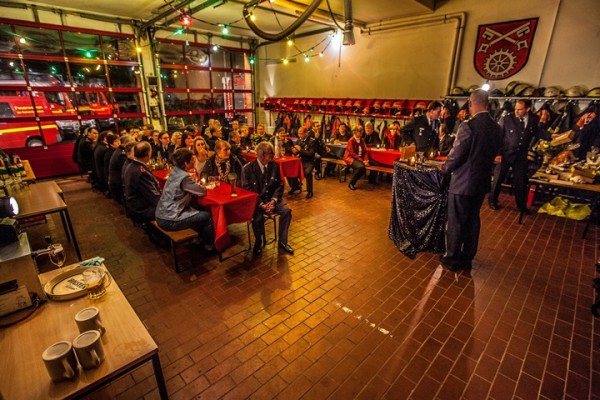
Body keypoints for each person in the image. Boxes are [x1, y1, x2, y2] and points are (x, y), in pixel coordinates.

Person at [440, 89, 503, 271]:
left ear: (470, 103)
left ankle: (452, 258)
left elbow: (457, 155)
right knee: (473, 220)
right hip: (481, 182)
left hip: (462, 183)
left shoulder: (468, 126)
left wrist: (445, 168)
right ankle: (467, 258)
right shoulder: (496, 127)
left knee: (456, 221)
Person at [489, 99, 549, 213]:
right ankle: (492, 200)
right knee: (498, 179)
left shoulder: (533, 119)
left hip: (521, 155)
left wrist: (551, 136)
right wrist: (498, 154)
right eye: (515, 108)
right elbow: (499, 136)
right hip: (506, 153)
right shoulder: (507, 119)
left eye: (520, 109)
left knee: (520, 181)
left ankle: (521, 206)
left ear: (528, 109)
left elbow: (537, 132)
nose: (516, 111)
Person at [155, 148, 215, 250]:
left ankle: (198, 239)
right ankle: (209, 246)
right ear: (186, 163)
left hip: (161, 214)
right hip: (170, 220)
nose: (194, 161)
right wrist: (202, 186)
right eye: (192, 160)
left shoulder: (175, 171)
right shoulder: (184, 177)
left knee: (197, 210)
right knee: (207, 216)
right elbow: (202, 191)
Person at [241, 141, 294, 255]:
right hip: (257, 202)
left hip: (272, 199)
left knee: (286, 212)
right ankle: (258, 242)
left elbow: (280, 184)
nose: (274, 156)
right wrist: (261, 204)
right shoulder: (248, 169)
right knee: (258, 218)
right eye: (271, 154)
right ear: (263, 155)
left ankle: (283, 242)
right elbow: (247, 191)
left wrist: (274, 200)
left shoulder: (274, 165)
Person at [122, 141, 162, 224]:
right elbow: (153, 197)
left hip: (135, 206)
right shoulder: (141, 172)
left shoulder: (131, 165)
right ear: (148, 154)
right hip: (142, 210)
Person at [289, 127, 317, 198]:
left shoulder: (312, 141)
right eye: (299, 133)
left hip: (309, 161)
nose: (299, 135)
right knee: (291, 170)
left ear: (306, 133)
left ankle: (310, 191)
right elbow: (296, 152)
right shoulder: (299, 140)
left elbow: (311, 154)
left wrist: (300, 150)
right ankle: (295, 186)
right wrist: (294, 151)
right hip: (300, 160)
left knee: (307, 173)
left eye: (301, 134)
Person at [108, 134, 131, 204]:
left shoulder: (120, 150)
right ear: (126, 143)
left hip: (117, 180)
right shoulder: (121, 154)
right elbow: (127, 169)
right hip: (118, 183)